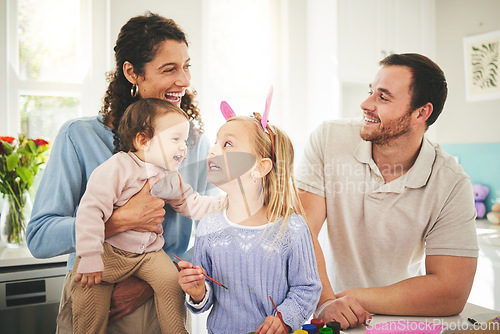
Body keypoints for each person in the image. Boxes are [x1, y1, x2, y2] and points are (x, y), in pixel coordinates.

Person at [27, 12, 214, 333]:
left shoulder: (193, 143)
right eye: (169, 69)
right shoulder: (78, 137)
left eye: (187, 66)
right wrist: (120, 221)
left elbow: (215, 230)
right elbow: (40, 237)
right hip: (93, 290)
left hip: (159, 301)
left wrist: (155, 277)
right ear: (132, 72)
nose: (183, 80)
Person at [296, 53, 478, 329]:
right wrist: (326, 300)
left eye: (383, 97)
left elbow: (450, 292)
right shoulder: (328, 139)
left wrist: (349, 297)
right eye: (371, 92)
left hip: (402, 319)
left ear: (421, 113)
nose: (365, 104)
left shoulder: (451, 183)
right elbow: (301, 232)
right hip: (327, 314)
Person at [71, 98, 220, 334]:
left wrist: (225, 203)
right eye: (175, 139)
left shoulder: (171, 176)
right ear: (143, 140)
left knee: (172, 282)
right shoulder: (118, 167)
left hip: (149, 253)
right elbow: (90, 211)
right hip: (108, 250)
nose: (183, 147)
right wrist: (90, 256)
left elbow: (191, 203)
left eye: (184, 140)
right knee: (89, 295)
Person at [177, 110, 322, 334]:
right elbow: (206, 297)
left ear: (259, 168)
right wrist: (197, 292)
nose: (213, 150)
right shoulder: (208, 228)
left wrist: (283, 319)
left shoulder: (292, 228)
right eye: (216, 142)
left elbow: (307, 288)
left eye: (227, 144)